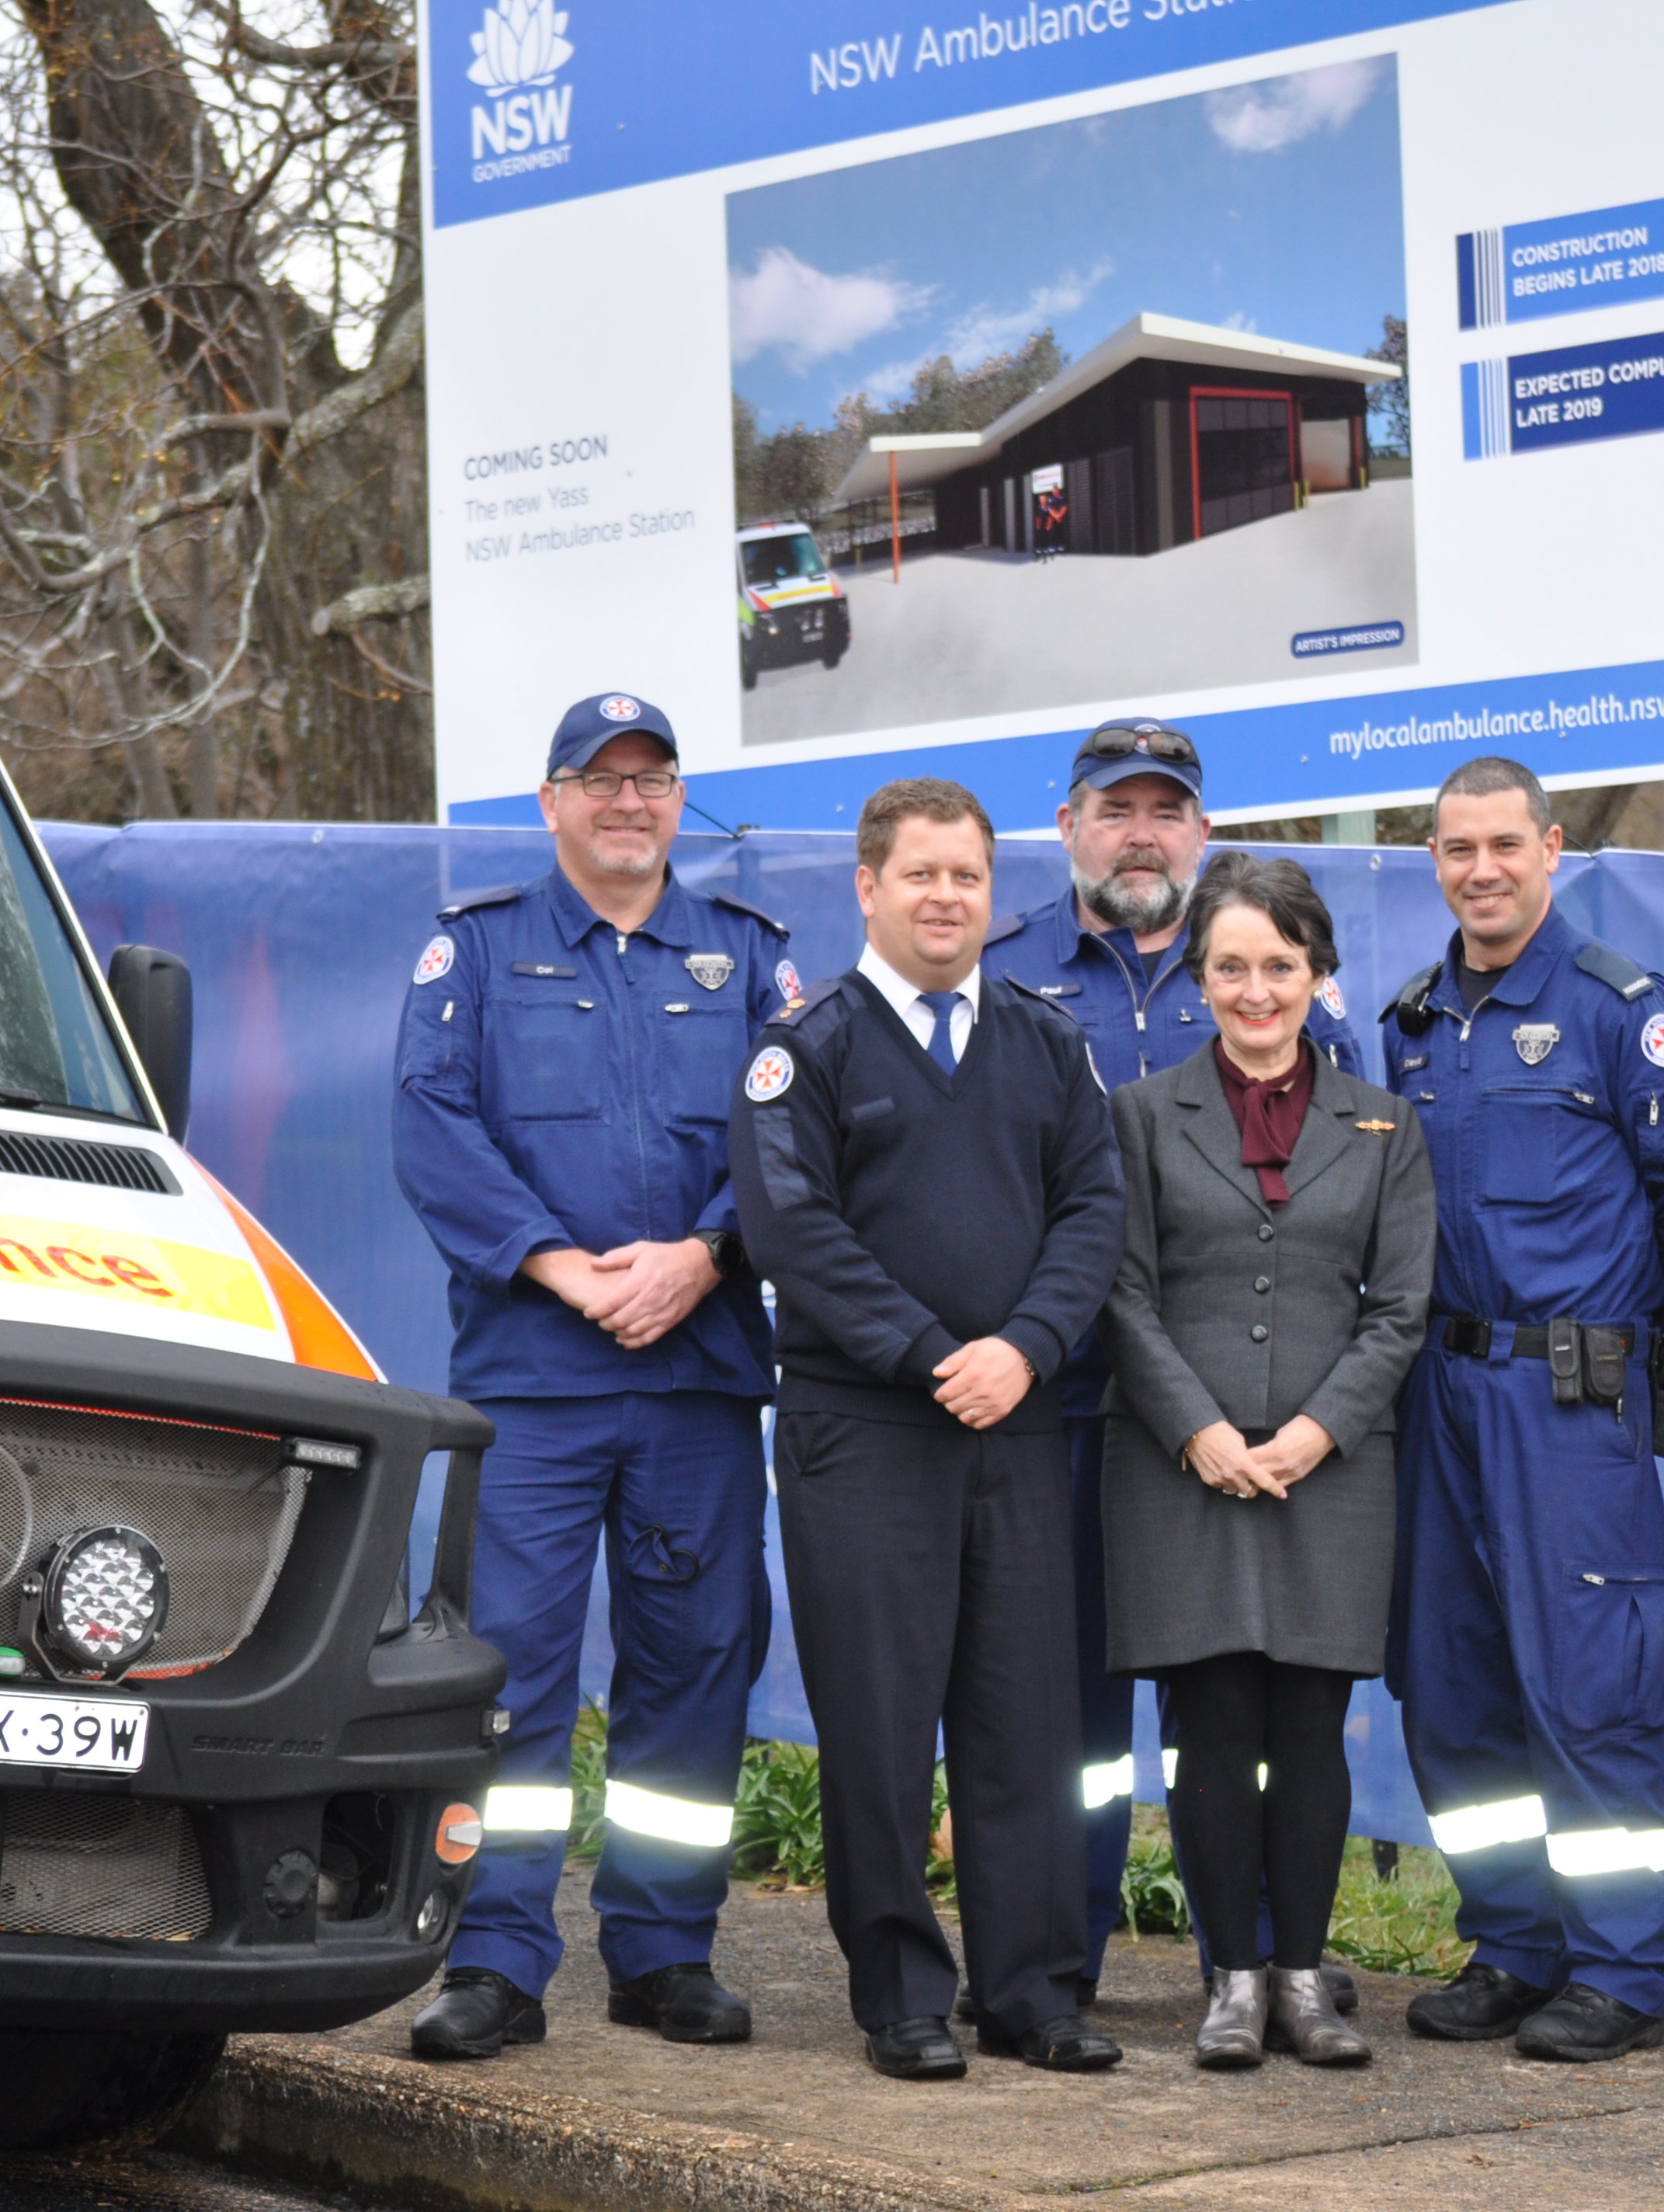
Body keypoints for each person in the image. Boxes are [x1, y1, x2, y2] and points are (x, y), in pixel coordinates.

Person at [390, 690, 797, 2061]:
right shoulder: (479, 952)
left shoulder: (746, 960)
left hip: (696, 1376)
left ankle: (664, 1949)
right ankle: (497, 1961)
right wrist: (564, 1270)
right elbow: (432, 1127)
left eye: (654, 780)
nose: (630, 802)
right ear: (551, 800)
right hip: (537, 1381)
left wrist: (703, 1257)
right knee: (511, 1675)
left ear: (679, 801)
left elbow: (788, 1140)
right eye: (601, 780)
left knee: (692, 1667)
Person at [728, 777, 1127, 2081]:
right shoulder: (807, 1049)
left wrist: (1024, 1349)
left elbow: (1092, 1214)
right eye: (921, 876)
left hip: (1016, 1420)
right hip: (866, 1431)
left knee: (1026, 1725)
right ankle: (900, 1993)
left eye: (967, 875)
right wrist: (932, 1351)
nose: (947, 897)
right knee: (883, 1729)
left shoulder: (1045, 1041)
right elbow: (796, 1233)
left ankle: (1030, 1991)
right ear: (867, 887)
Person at [981, 718, 1360, 2008]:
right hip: (1053, 1397)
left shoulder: (1274, 981)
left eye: (1165, 810)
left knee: (1231, 1710)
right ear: (1068, 824)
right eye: (1114, 807)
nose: (1140, 831)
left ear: (1201, 834)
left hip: (1222, 1420)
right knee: (1067, 1710)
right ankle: (1056, 1960)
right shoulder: (1002, 975)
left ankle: (1241, 1966)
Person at [1383, 756, 1664, 2064]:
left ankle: (1624, 1969)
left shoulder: (1620, 1010)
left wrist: (1624, 1341)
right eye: (1458, 848)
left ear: (1553, 848)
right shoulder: (1410, 1020)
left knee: (1590, 1685)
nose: (1482, 869)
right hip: (1435, 1393)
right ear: (1437, 862)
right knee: (1454, 1689)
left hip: (1567, 1396)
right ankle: (1513, 1942)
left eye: (1505, 844)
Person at [1099, 854, 1433, 2070]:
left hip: (1329, 1473)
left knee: (1309, 1727)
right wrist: (1201, 1431)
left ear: (1319, 974)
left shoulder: (1385, 1126)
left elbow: (1400, 1309)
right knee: (1211, 1724)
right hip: (1176, 1466)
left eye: (1279, 966)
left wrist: (1310, 1433)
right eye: (1231, 965)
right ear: (1201, 975)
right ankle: (1229, 1982)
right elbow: (1121, 1295)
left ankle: (1303, 1975)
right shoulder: (1139, 1116)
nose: (1256, 989)